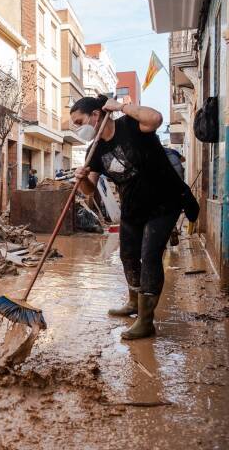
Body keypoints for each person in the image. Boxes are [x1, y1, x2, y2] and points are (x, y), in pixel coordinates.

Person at [72, 94, 198, 340]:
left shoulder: (130, 125)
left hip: (163, 202)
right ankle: (133, 303)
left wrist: (121, 107)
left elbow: (156, 118)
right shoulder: (94, 150)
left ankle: (146, 321)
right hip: (133, 208)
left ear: (96, 116)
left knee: (149, 255)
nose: (77, 128)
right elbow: (90, 188)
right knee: (128, 255)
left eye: (79, 122)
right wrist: (82, 179)